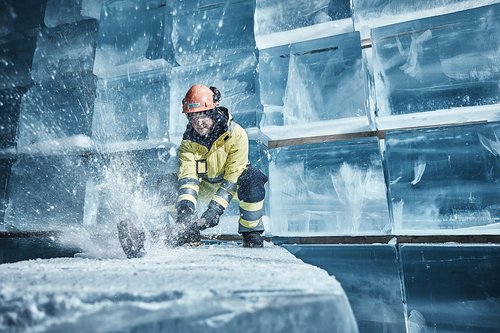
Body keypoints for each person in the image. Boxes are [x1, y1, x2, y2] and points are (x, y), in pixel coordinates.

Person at [171, 84, 268, 247]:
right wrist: (185, 212)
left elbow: (232, 177)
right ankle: (186, 229)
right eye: (193, 117)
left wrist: (214, 210)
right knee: (167, 186)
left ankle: (251, 231)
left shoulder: (236, 134)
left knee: (253, 177)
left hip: (234, 186)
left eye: (202, 115)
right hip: (205, 186)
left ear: (213, 112)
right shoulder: (187, 143)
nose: (198, 122)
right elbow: (188, 179)